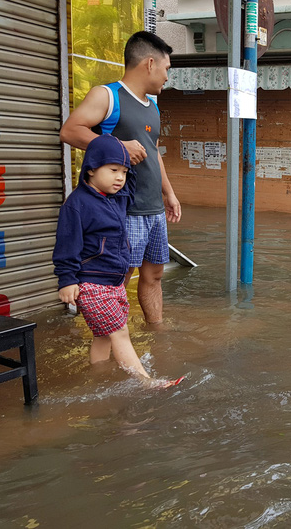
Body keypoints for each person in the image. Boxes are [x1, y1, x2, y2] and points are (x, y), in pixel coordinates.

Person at [59, 31, 180, 325]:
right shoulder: (107, 95)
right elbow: (70, 131)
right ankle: (114, 347)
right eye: (166, 69)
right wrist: (116, 146)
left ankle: (156, 339)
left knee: (154, 275)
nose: (167, 77)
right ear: (149, 63)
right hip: (122, 210)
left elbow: (153, 153)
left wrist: (169, 193)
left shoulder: (153, 107)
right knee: (116, 278)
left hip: (153, 209)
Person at [52, 135, 183, 387]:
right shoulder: (77, 205)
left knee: (103, 336)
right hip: (93, 284)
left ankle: (98, 377)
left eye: (123, 171)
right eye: (113, 170)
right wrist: (67, 281)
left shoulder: (118, 198)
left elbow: (131, 182)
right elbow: (66, 247)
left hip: (113, 284)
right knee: (120, 334)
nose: (120, 177)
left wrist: (126, 155)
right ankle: (146, 382)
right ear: (91, 168)